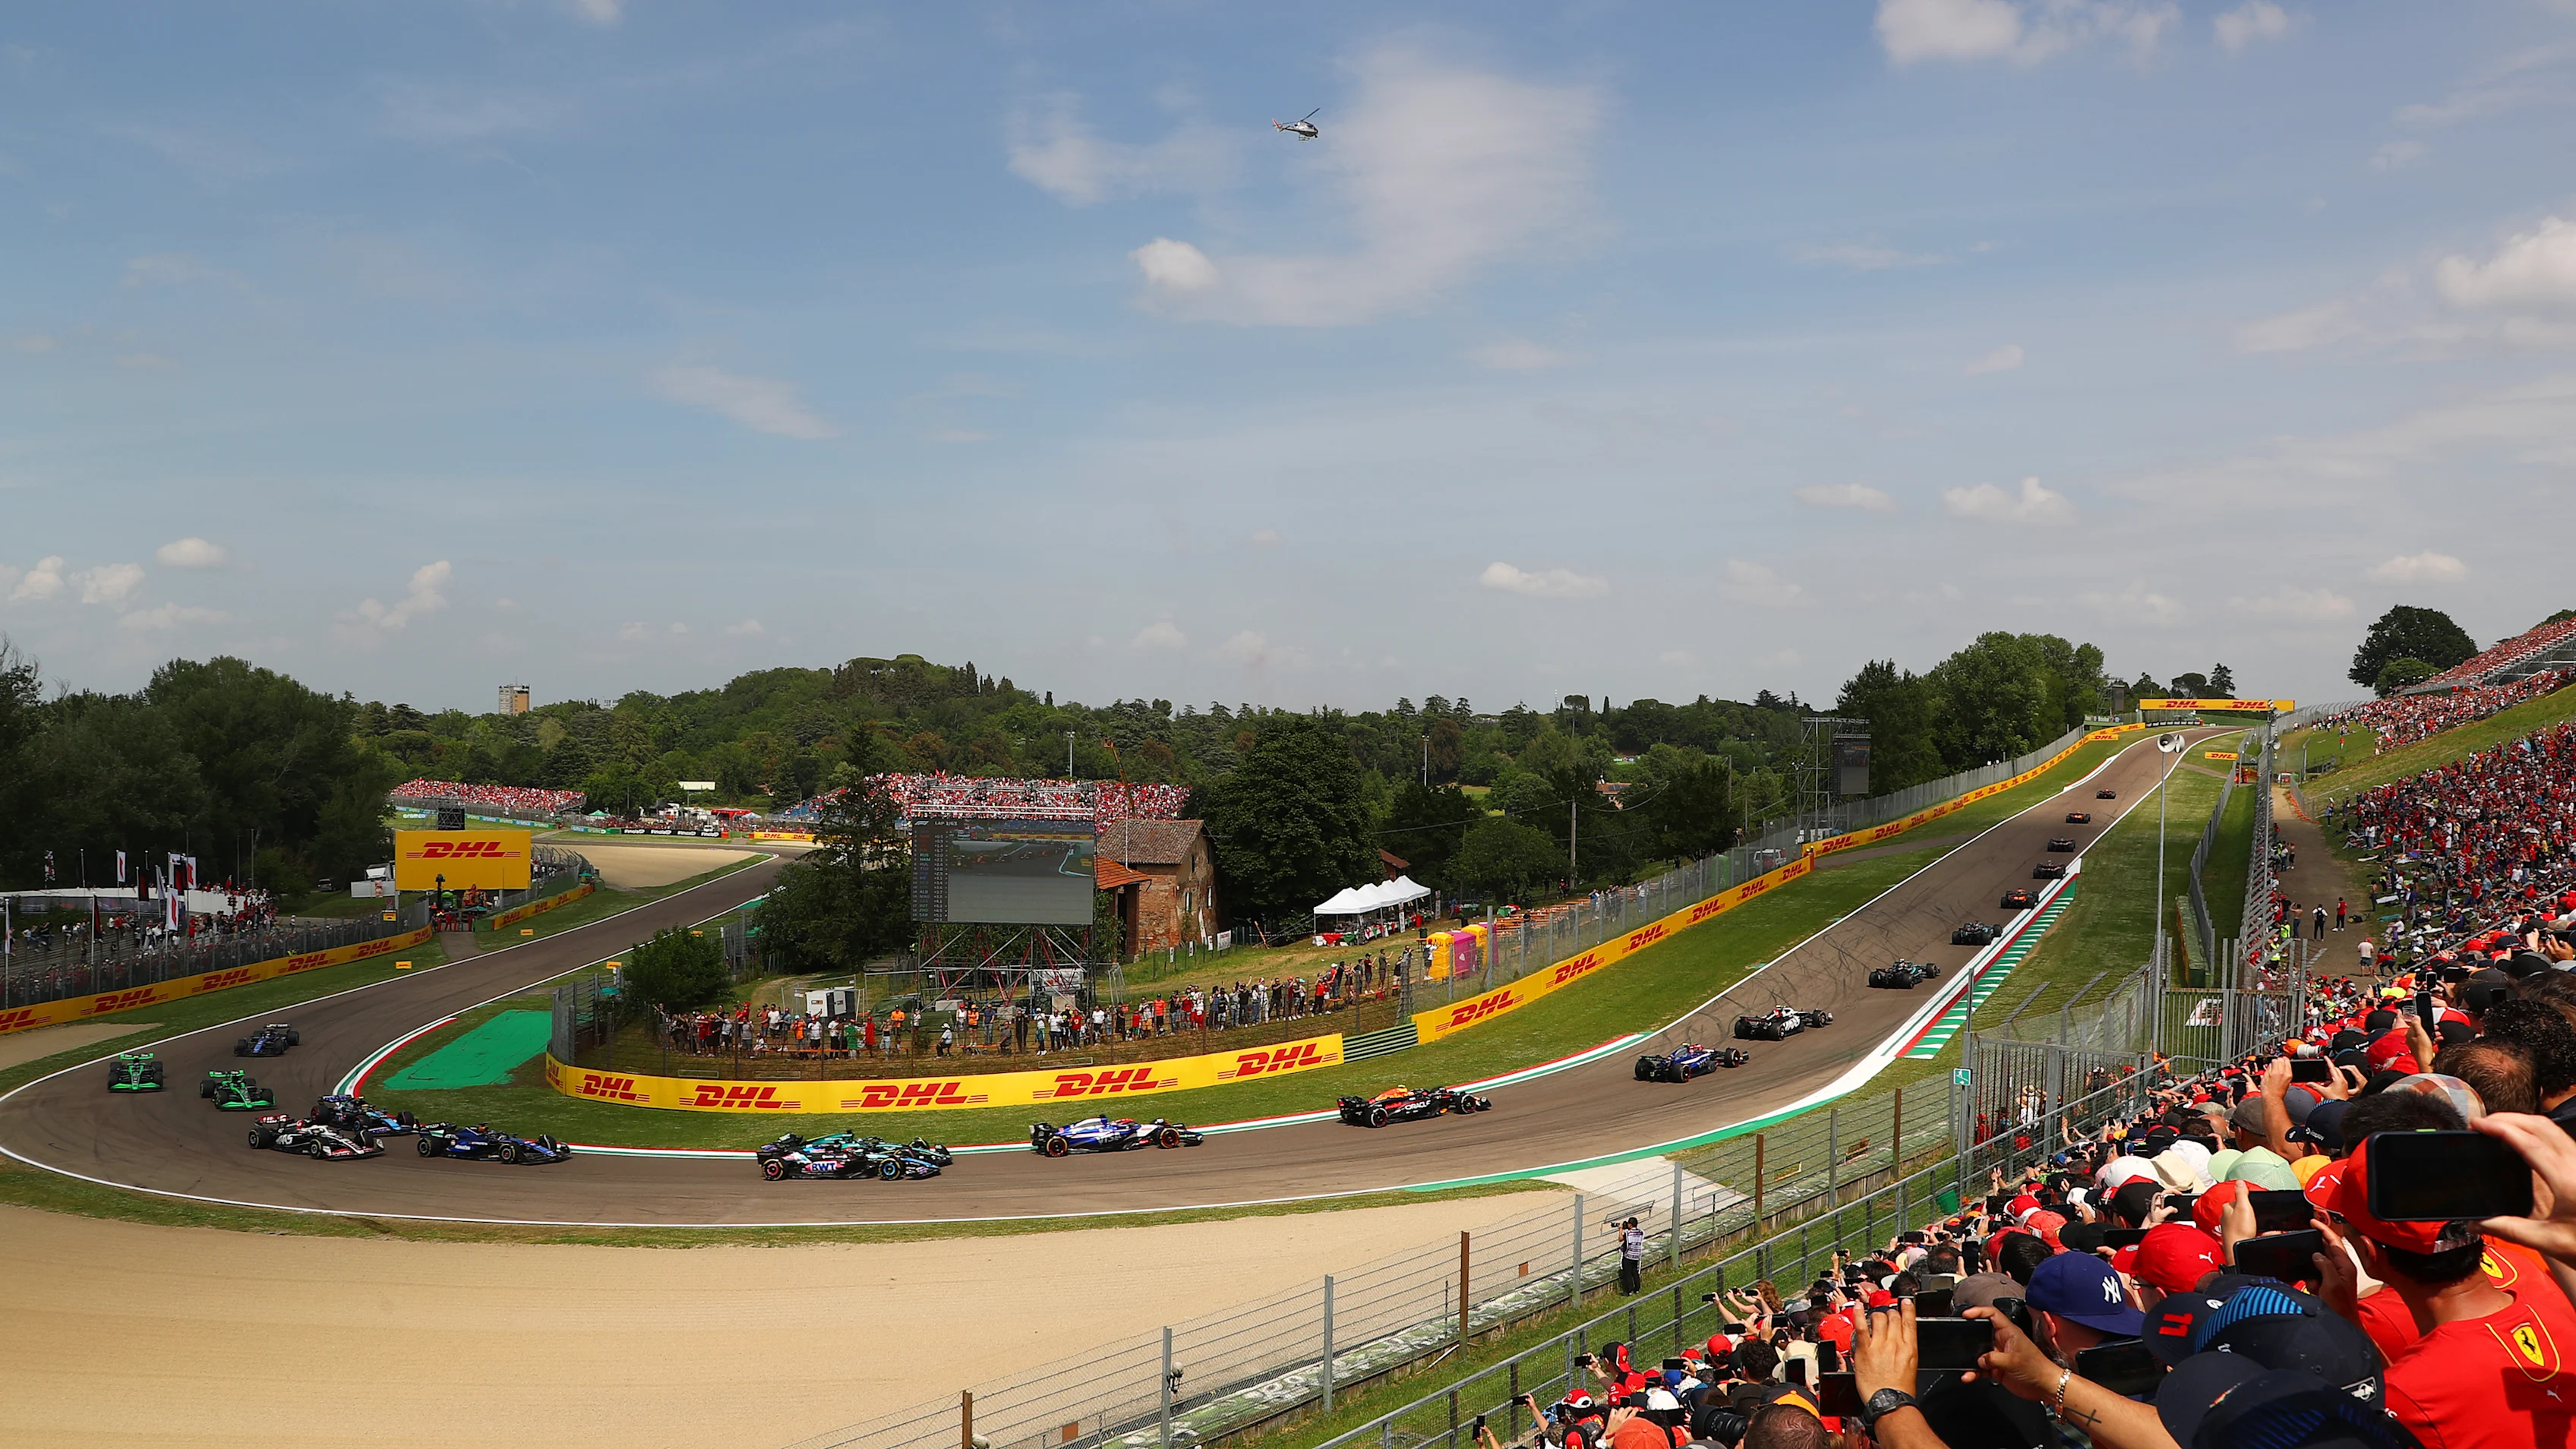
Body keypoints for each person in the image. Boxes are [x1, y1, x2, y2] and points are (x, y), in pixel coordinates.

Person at [1616, 1217, 1644, 1295]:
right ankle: (1637, 1288)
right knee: (1634, 1271)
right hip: (1636, 1255)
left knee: (1627, 1273)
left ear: (1630, 1225)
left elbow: (1621, 1239)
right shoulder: (1641, 1232)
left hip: (1628, 1255)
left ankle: (1629, 1290)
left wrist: (1620, 1229)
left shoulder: (1628, 1233)